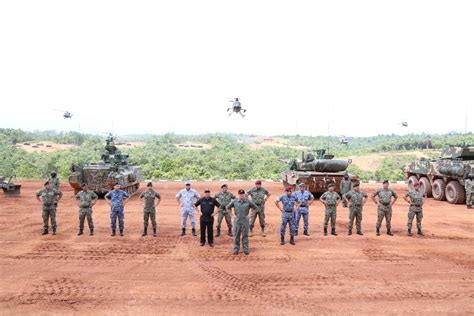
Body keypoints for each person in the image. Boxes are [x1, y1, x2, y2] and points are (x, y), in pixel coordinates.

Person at [227, 189, 258, 255]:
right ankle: (236, 250)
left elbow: (255, 207)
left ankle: (246, 250)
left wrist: (250, 215)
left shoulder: (248, 201)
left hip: (245, 221)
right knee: (236, 235)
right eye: (240, 194)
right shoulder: (235, 201)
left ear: (244, 194)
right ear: (238, 195)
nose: (241, 195)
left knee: (245, 235)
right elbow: (227, 207)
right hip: (237, 221)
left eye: (242, 194)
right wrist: (231, 215)